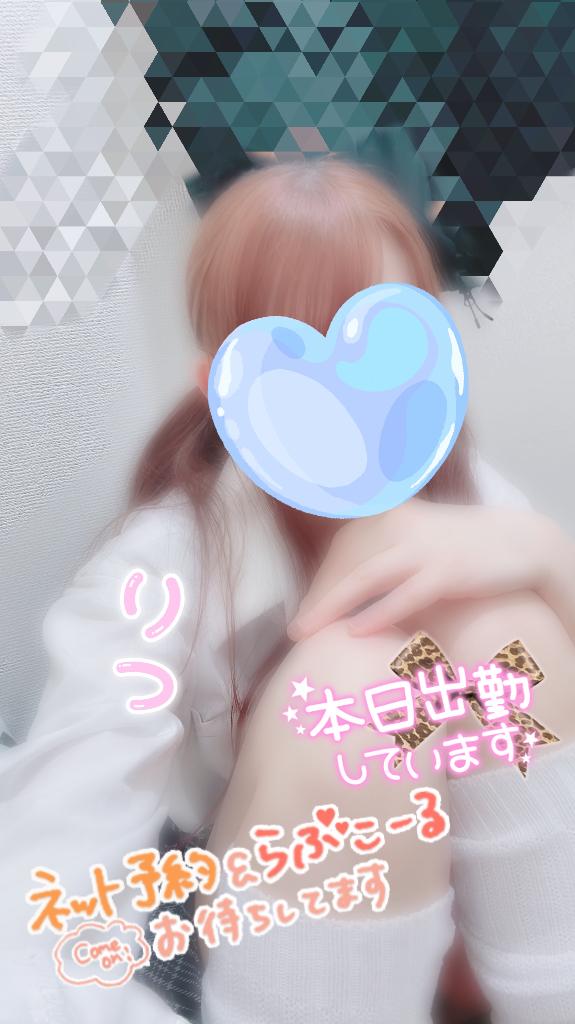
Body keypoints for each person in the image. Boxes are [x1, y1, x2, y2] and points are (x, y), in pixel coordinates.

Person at [2, 157, 575, 1024]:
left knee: (501, 619)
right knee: (353, 691)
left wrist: (541, 554)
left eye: (386, 346)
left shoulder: (472, 501)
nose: (349, 397)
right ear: (218, 387)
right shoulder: (157, 573)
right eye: (293, 357)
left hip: (479, 907)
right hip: (283, 913)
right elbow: (38, 910)